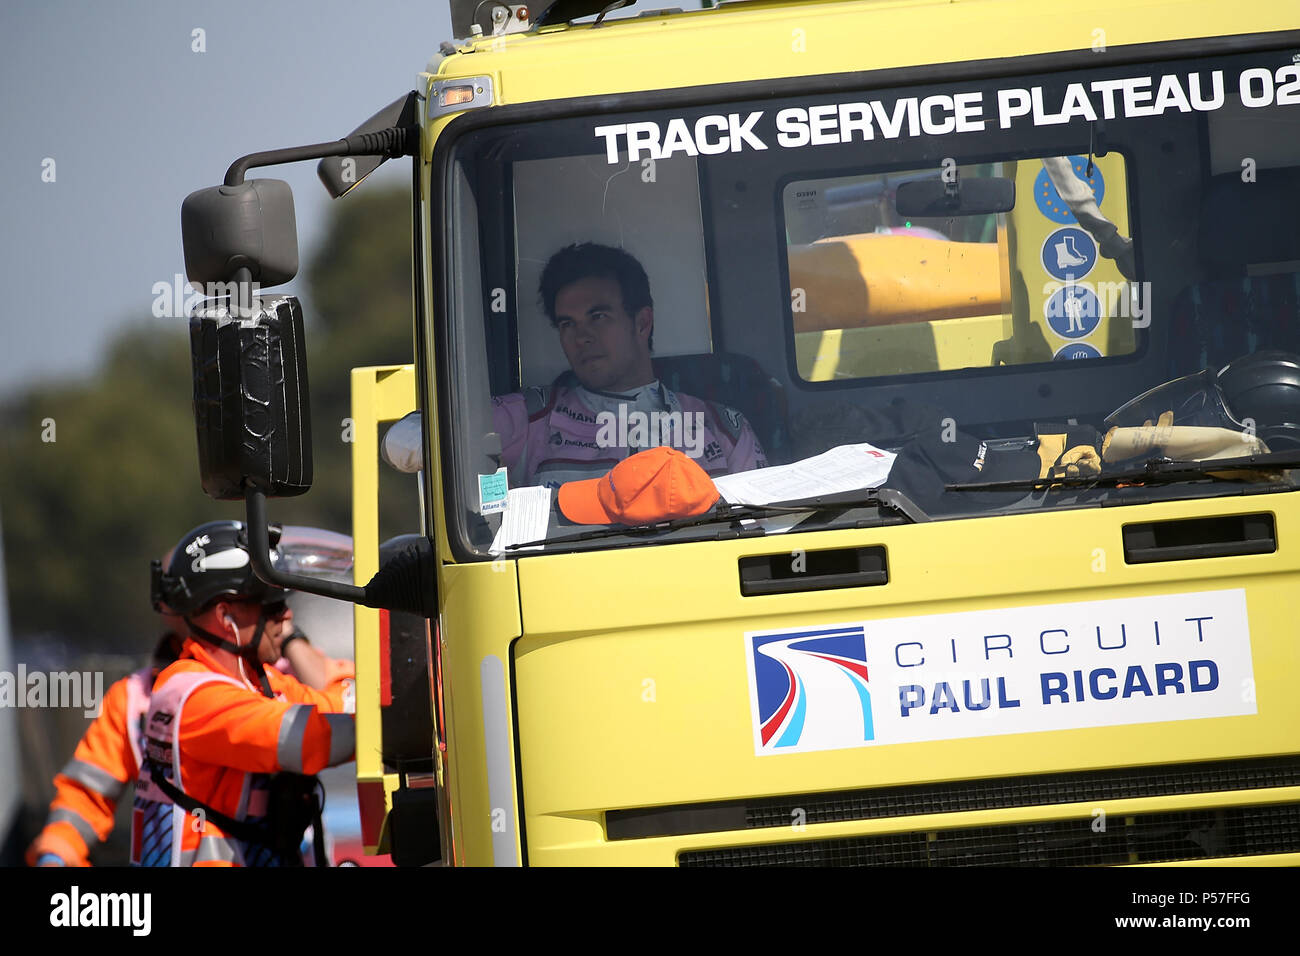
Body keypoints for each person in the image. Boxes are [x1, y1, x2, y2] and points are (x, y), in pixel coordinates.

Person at [383, 242, 767, 488]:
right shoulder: (533, 417)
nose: (581, 337)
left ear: (642, 322)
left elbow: (766, 528)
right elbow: (402, 441)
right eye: (567, 324)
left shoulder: (721, 426)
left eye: (598, 317)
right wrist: (451, 448)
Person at [130, 521, 355, 867]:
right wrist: (392, 722)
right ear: (226, 616)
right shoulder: (190, 694)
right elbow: (307, 739)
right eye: (272, 605)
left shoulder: (260, 682)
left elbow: (340, 703)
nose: (288, 615)